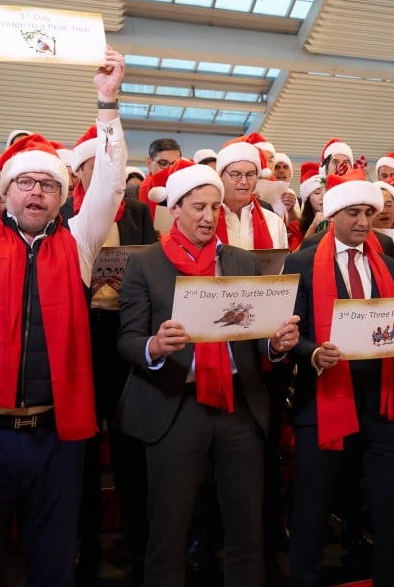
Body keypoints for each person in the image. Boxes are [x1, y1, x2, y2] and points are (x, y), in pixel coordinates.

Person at [0, 28, 127, 586]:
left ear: (64, 196)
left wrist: (108, 102)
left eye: (48, 183)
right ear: (5, 193)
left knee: (52, 568)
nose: (36, 191)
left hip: (55, 436)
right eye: (24, 182)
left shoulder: (80, 245)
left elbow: (110, 185)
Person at [114, 161, 299, 587]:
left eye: (215, 207)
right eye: (198, 207)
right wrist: (154, 346)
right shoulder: (147, 263)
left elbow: (257, 336)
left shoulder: (241, 262)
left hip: (239, 404)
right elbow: (127, 340)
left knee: (247, 530)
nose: (208, 216)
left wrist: (276, 344)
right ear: (175, 209)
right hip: (175, 405)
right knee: (168, 531)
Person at [282, 169, 394, 587]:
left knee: (392, 513)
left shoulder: (387, 264)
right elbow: (290, 332)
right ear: (333, 214)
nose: (364, 221)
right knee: (311, 512)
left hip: (383, 405)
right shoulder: (301, 262)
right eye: (354, 212)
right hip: (324, 404)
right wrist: (314, 353)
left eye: (369, 212)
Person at [67, 125, 158, 581]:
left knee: (130, 446)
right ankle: (84, 547)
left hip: (127, 333)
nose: (106, 175)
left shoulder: (138, 211)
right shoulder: (64, 211)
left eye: (113, 168)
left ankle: (140, 544)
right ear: (78, 173)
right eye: (95, 166)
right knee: (82, 449)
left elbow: (153, 261)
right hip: (81, 335)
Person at [216, 140, 289, 250]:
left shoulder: (274, 222)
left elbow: (281, 260)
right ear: (221, 176)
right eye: (236, 174)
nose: (244, 181)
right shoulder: (208, 221)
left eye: (250, 174)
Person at [138, 137, 182, 203]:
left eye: (175, 164)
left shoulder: (187, 188)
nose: (170, 169)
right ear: (149, 163)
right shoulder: (136, 192)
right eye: (163, 163)